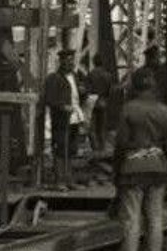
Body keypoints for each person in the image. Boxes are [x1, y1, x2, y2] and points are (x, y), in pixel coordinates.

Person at [106, 67, 167, 251]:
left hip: (132, 168)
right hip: (158, 167)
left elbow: (121, 143)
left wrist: (116, 170)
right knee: (155, 216)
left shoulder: (128, 109)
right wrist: (166, 163)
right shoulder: (164, 110)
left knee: (131, 216)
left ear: (134, 87)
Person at [42, 49, 83, 186]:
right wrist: (62, 106)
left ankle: (69, 179)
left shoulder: (75, 77)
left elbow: (79, 95)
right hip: (61, 119)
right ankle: (60, 181)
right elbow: (49, 99)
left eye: (72, 60)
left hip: (74, 118)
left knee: (71, 149)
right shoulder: (54, 78)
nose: (71, 63)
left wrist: (83, 92)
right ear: (62, 61)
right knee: (60, 148)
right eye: (68, 60)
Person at [84, 54, 115, 153]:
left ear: (94, 62)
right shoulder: (108, 75)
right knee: (101, 127)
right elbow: (110, 91)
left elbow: (87, 89)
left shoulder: (91, 74)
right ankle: (102, 148)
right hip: (103, 102)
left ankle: (95, 148)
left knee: (92, 127)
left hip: (92, 102)